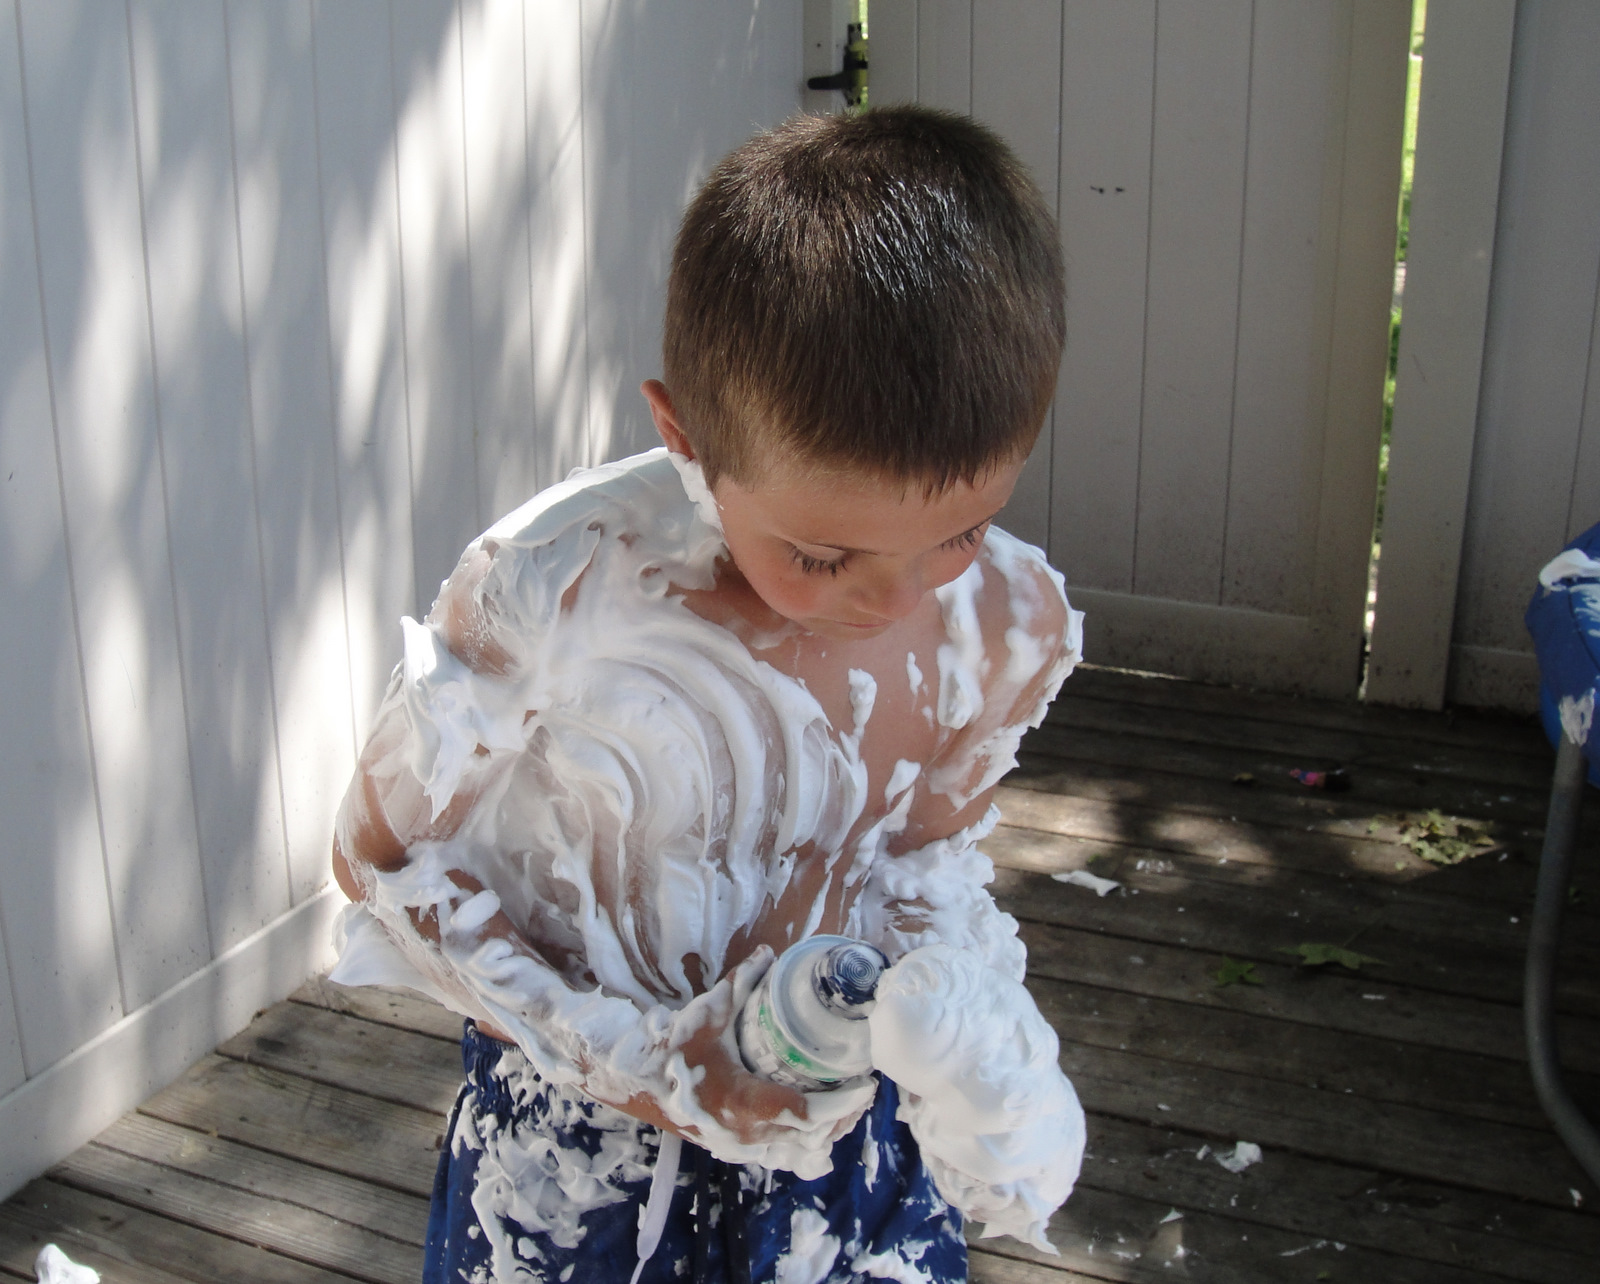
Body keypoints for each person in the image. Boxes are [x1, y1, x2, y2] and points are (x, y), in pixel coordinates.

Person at [330, 104, 1084, 1284]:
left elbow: (923, 860)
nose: (890, 604)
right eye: (824, 558)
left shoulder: (1004, 627)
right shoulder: (558, 594)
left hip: (846, 1149)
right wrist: (647, 1067)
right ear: (684, 435)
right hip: (578, 1149)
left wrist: (970, 1034)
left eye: (960, 533)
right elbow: (380, 865)